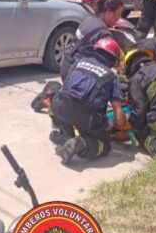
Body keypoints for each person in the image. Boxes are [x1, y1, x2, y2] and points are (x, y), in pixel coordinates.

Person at [49, 37, 127, 165]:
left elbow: (67, 87)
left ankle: (66, 137)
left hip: (59, 107)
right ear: (114, 60)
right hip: (86, 118)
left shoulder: (79, 62)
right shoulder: (111, 77)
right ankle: (80, 144)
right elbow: (118, 116)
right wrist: (117, 124)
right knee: (104, 146)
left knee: (58, 104)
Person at [59, 0, 125, 82]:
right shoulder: (103, 33)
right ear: (108, 12)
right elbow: (104, 64)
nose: (118, 18)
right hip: (76, 74)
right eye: (118, 14)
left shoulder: (90, 20)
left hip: (67, 65)